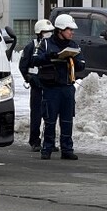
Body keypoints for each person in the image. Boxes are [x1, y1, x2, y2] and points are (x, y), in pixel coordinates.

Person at [32, 13, 86, 160]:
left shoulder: (73, 45)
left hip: (67, 87)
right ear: (60, 30)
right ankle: (47, 149)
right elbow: (35, 59)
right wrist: (50, 56)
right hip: (51, 88)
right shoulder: (46, 43)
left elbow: (82, 64)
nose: (72, 32)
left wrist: (74, 60)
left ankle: (67, 149)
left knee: (67, 120)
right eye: (69, 29)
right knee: (49, 120)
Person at [18, 19, 54, 152]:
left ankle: (49, 141)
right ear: (39, 32)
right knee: (36, 114)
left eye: (51, 32)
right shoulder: (31, 46)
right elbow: (23, 65)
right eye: (46, 32)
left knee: (50, 114)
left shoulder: (52, 46)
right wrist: (28, 78)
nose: (49, 34)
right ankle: (34, 141)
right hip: (37, 85)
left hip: (50, 85)